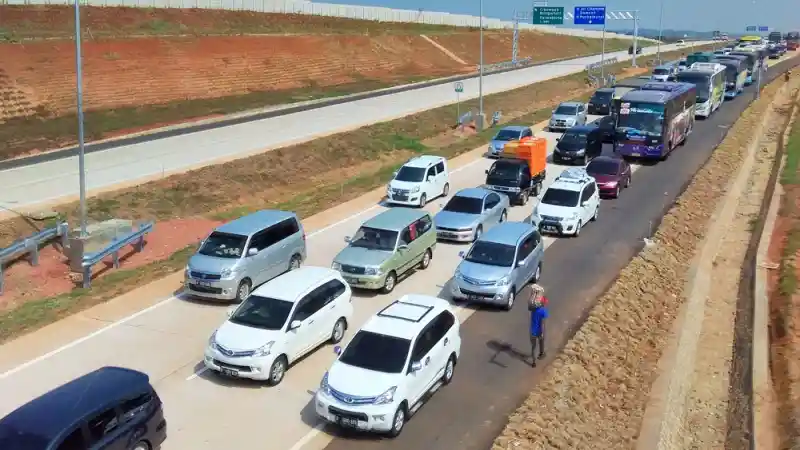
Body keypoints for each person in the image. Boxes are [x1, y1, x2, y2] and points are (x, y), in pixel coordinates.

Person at [528, 284, 549, 367]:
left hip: (532, 331)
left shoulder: (533, 309)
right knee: (541, 341)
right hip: (539, 331)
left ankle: (533, 362)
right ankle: (541, 354)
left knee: (533, 347)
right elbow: (542, 323)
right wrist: (542, 333)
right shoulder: (543, 311)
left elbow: (529, 306)